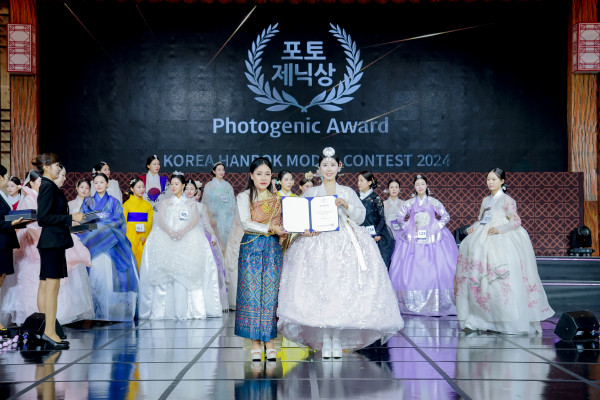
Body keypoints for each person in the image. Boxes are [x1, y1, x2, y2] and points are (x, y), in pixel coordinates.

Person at [278, 147, 403, 359]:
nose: (328, 169)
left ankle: (337, 339)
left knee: (341, 291)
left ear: (339, 167)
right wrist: (304, 230)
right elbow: (301, 218)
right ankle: (325, 339)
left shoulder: (347, 191)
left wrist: (346, 205)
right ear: (319, 168)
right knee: (321, 291)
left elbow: (360, 217)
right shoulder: (311, 193)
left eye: (332, 165)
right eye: (324, 165)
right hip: (316, 243)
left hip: (345, 243)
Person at [454, 168, 554, 334]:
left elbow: (516, 221)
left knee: (500, 278)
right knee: (480, 277)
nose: (490, 182)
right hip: (483, 237)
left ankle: (505, 320)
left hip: (501, 239)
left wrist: (499, 229)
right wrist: (473, 227)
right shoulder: (486, 200)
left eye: (494, 179)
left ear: (502, 181)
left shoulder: (507, 200)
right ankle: (480, 317)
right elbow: (482, 220)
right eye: (488, 179)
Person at [1, 168, 93, 326]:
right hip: (35, 242)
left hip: (47, 238)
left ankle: (51, 320)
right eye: (40, 181)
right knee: (40, 283)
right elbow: (37, 222)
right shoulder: (29, 199)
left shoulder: (43, 195)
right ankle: (41, 318)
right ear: (32, 183)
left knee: (50, 282)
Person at [139, 172, 222, 320]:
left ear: (183, 185)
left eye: (177, 184)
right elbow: (161, 220)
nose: (173, 187)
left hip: (187, 237)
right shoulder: (165, 202)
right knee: (167, 271)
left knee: (186, 271)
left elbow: (195, 220)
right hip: (167, 238)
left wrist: (183, 231)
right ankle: (165, 311)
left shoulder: (190, 203)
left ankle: (187, 310)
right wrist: (169, 231)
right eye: (172, 184)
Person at [235, 157, 286, 362]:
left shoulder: (278, 198)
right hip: (251, 248)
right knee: (252, 294)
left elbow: (285, 223)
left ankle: (269, 340)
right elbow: (246, 223)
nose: (263, 178)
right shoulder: (244, 196)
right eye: (259, 174)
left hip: (272, 248)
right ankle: (255, 342)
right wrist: (270, 228)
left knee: (271, 294)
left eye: (267, 174)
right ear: (251, 175)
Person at [388, 174, 458, 316]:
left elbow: (445, 216)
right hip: (414, 237)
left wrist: (436, 226)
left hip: (432, 236)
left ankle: (436, 301)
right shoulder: (410, 203)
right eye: (417, 184)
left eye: (422, 184)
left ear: (426, 186)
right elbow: (399, 217)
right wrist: (408, 227)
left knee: (435, 268)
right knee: (413, 270)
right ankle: (411, 301)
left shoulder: (433, 202)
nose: (420, 187)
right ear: (414, 187)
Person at [35, 154, 86, 349]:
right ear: (47, 167)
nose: (59, 169)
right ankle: (49, 331)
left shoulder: (50, 186)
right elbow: (43, 218)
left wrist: (71, 219)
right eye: (57, 165)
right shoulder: (47, 186)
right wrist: (69, 218)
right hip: (51, 243)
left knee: (52, 288)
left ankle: (50, 330)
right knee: (52, 288)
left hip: (54, 242)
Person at [79, 172, 139, 321]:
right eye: (96, 183)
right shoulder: (87, 202)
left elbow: (120, 221)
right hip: (94, 240)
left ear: (107, 184)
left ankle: (115, 309)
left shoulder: (114, 202)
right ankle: (94, 309)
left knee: (115, 276)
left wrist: (103, 225)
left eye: (102, 182)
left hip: (112, 239)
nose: (99, 185)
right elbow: (83, 220)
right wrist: (100, 225)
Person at [184, 179, 229, 311]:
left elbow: (206, 224)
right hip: (184, 238)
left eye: (192, 189)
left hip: (199, 237)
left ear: (196, 191)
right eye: (186, 189)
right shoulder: (179, 205)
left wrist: (213, 235)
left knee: (204, 269)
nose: (189, 191)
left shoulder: (200, 207)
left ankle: (204, 301)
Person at [0, 164, 25, 335]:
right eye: (7, 178)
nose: (8, 181)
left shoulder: (1, 195)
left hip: (4, 243)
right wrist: (11, 223)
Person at [357, 171, 395, 269]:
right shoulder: (355, 197)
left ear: (370, 182)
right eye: (358, 180)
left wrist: (377, 234)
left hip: (376, 236)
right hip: (359, 234)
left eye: (361, 180)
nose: (358, 183)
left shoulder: (376, 198)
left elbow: (382, 218)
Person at [202, 162, 236, 248]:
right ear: (214, 171)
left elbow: (232, 201)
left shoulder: (228, 185)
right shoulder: (209, 185)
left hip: (227, 217)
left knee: (227, 240)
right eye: (219, 170)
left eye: (223, 170)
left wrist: (231, 210)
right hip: (214, 217)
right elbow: (206, 202)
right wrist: (210, 212)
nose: (221, 172)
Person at [122, 178, 153, 270]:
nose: (142, 189)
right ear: (132, 189)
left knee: (143, 262)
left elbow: (149, 223)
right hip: (130, 237)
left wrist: (144, 235)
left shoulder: (148, 205)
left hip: (143, 238)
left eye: (143, 187)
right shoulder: (126, 205)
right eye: (139, 187)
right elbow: (123, 223)